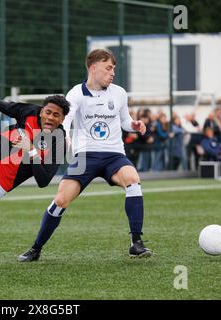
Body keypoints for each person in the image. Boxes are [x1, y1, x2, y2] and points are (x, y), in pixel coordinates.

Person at [18, 49, 152, 262]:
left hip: (114, 154)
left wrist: (134, 125)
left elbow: (125, 120)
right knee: (61, 200)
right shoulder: (76, 94)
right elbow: (67, 119)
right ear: (93, 68)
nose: (113, 72)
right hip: (86, 156)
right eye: (108, 68)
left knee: (133, 181)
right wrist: (68, 138)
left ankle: (136, 242)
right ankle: (36, 249)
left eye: (114, 69)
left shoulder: (119, 93)